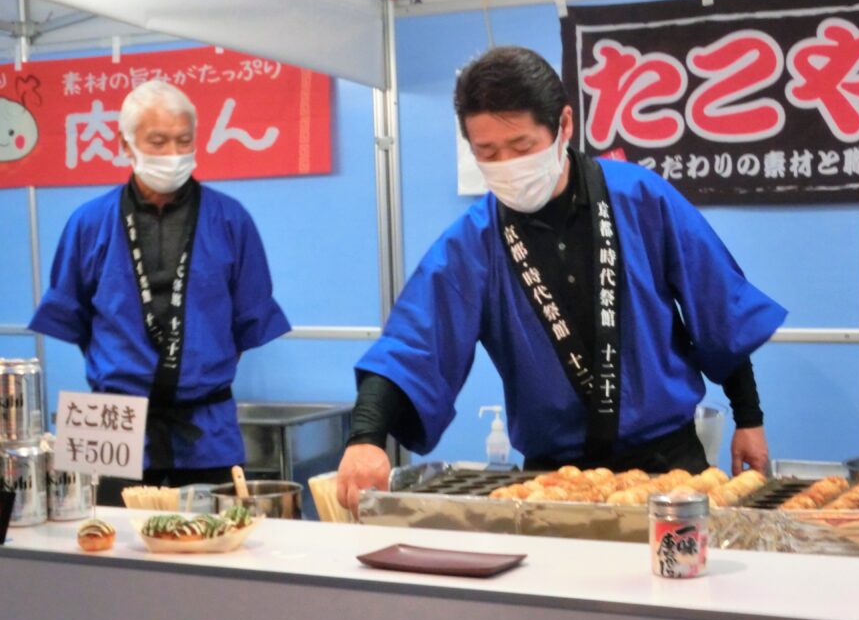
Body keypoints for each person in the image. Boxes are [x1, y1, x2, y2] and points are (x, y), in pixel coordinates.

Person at [337, 46, 787, 513]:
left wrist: (749, 417)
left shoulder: (640, 197)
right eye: (487, 152)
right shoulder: (474, 242)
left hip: (669, 463)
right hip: (551, 480)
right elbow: (411, 344)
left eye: (523, 146)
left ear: (564, 125)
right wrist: (366, 438)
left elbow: (717, 307)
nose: (507, 163)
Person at [30, 80, 290, 501]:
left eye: (183, 141)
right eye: (158, 141)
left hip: (207, 423)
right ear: (126, 144)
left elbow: (247, 322)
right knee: (105, 550)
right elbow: (75, 322)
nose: (173, 154)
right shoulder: (88, 223)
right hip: (110, 422)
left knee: (214, 550)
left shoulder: (231, 220)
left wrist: (191, 369)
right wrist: (124, 368)